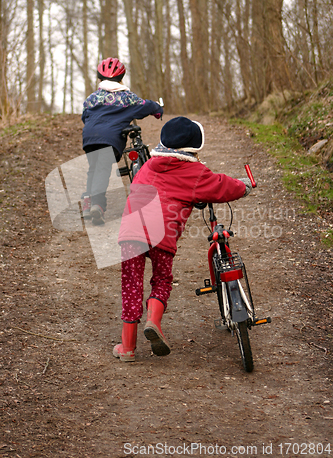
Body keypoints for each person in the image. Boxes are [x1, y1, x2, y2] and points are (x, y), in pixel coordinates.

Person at [113, 116, 253, 362]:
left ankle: (127, 348)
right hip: (162, 235)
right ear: (193, 148)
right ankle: (153, 321)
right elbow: (220, 185)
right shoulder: (193, 171)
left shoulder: (148, 166)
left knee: (131, 284)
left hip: (131, 231)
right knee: (162, 280)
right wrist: (243, 187)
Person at [81, 57, 164, 225]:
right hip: (110, 138)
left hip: (89, 137)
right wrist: (158, 109)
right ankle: (97, 204)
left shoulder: (92, 98)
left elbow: (85, 115)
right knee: (103, 168)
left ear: (99, 79)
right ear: (121, 78)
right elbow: (146, 105)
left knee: (94, 169)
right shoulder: (126, 97)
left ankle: (87, 203)